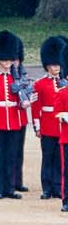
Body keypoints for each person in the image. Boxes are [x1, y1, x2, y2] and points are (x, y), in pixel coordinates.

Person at [0, 31, 28, 199]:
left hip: (14, 120)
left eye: (9, 59)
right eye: (4, 59)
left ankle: (10, 188)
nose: (7, 63)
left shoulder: (18, 79)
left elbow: (23, 99)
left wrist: (25, 103)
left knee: (11, 155)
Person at [34, 36, 65, 202]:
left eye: (58, 65)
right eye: (53, 65)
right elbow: (36, 107)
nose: (56, 68)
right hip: (47, 125)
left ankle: (58, 187)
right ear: (47, 65)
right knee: (47, 157)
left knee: (60, 160)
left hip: (61, 126)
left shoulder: (64, 84)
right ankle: (46, 188)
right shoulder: (40, 84)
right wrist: (37, 126)